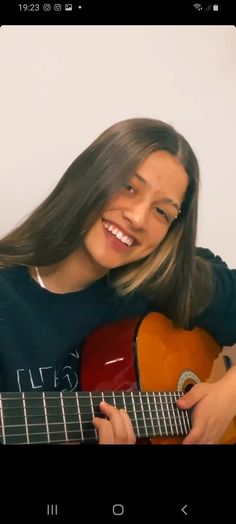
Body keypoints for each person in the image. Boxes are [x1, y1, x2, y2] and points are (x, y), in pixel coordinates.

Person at [0, 118, 235, 445]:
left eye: (162, 213)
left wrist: (229, 394)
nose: (138, 218)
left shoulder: (161, 281)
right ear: (91, 177)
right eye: (128, 186)